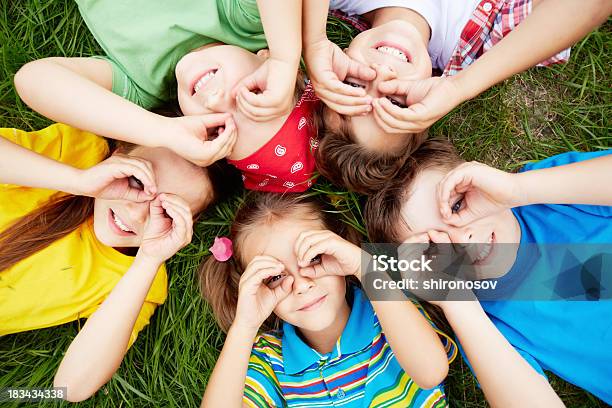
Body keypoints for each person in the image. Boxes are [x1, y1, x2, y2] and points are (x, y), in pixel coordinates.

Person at [0, 123, 236, 402]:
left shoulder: (136, 280)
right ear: (118, 154)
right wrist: (78, 180)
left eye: (165, 211)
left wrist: (148, 259)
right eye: (136, 181)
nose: (136, 214)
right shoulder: (78, 152)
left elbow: (71, 387)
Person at [364, 139, 612, 404]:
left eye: (457, 206)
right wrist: (457, 302)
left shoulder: (547, 194)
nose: (463, 239)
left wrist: (518, 189)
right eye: (434, 248)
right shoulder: (484, 325)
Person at [303, 0, 611, 194]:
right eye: (396, 101)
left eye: (354, 85)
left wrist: (313, 39)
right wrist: (459, 87)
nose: (381, 76)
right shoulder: (486, 41)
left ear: (337, 63)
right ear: (425, 103)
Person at [14, 0, 320, 193]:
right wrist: (284, 56)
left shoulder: (141, 86)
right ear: (264, 59)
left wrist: (163, 131)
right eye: (253, 94)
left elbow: (33, 80)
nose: (215, 102)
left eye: (216, 129)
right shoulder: (243, 18)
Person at [198, 193, 457, 407]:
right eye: (275, 277)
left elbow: (432, 373)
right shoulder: (271, 359)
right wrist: (244, 325)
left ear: (340, 250)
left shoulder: (389, 311)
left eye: (314, 257)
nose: (301, 285)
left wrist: (363, 266)